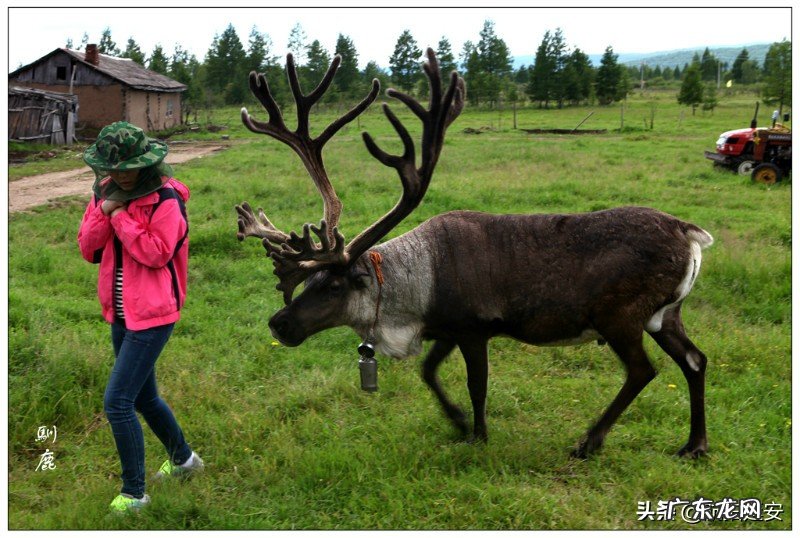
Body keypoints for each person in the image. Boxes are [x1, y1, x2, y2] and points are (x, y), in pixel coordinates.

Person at [77, 121, 203, 514]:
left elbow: (156, 253)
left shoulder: (166, 199)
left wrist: (118, 217)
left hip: (154, 315)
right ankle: (184, 461)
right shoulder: (104, 193)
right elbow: (87, 247)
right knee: (144, 397)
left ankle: (134, 493)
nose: (119, 175)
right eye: (112, 168)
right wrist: (104, 210)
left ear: (145, 162)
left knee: (117, 402)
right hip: (121, 313)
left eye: (127, 168)